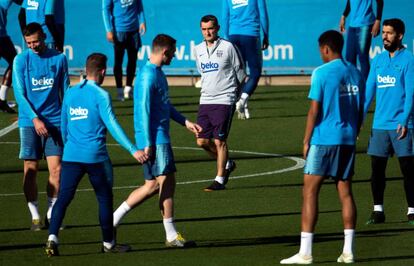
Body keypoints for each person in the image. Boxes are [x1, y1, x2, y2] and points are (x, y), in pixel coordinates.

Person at [44, 53, 148, 257]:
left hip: (71, 156)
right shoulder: (101, 95)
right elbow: (113, 125)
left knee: (63, 198)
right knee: (104, 199)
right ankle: (109, 243)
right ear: (102, 71)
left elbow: (63, 127)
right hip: (96, 158)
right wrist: (132, 149)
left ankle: (52, 238)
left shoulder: (71, 93)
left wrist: (70, 148)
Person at [280, 30, 364, 264]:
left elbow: (314, 111)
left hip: (324, 139)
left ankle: (305, 252)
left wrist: (306, 140)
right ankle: (348, 251)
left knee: (309, 192)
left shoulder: (321, 73)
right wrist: (354, 132)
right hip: (347, 140)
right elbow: (360, 110)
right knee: (346, 193)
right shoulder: (356, 72)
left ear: (325, 49)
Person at [112, 34, 201, 248]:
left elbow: (164, 105)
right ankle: (171, 236)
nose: (175, 55)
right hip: (156, 139)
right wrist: (149, 142)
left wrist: (185, 122)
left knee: (152, 185)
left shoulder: (157, 73)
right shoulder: (147, 76)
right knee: (167, 183)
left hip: (158, 138)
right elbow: (143, 110)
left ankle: (111, 220)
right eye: (173, 52)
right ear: (164, 52)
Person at [12, 22, 70, 231]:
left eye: (36, 41)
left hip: (54, 121)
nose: (33, 46)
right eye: (29, 43)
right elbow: (19, 94)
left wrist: (67, 119)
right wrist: (35, 119)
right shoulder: (20, 60)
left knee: (57, 169)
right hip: (29, 122)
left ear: (43, 37)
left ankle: (51, 213)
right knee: (31, 168)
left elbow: (66, 90)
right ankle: (35, 214)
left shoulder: (59, 58)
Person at [363, 18, 414, 225]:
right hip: (380, 125)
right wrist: (359, 118)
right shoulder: (378, 61)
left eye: (389, 33)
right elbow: (368, 92)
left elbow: (411, 93)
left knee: (408, 170)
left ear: (400, 36)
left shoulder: (409, 59)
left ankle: (412, 210)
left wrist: (404, 119)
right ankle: (378, 211)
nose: (384, 36)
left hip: (402, 125)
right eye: (383, 32)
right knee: (376, 170)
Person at [193, 15, 245, 191]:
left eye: (211, 28)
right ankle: (227, 163)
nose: (208, 32)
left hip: (225, 99)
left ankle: (220, 179)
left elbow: (241, 74)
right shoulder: (198, 49)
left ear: (217, 28)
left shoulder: (228, 47)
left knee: (219, 142)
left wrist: (239, 98)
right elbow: (203, 73)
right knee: (201, 141)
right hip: (205, 99)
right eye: (204, 29)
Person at [222, 0, 269, 119]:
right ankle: (242, 100)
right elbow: (263, 14)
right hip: (251, 35)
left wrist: (226, 37)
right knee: (255, 73)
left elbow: (225, 16)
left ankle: (243, 105)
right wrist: (266, 35)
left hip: (233, 36)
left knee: (240, 74)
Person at [102, 0, 146, 101]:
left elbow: (139, 4)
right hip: (119, 31)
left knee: (133, 60)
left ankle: (128, 88)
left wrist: (142, 20)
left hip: (134, 30)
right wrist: (108, 30)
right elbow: (105, 10)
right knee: (118, 61)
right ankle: (119, 90)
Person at [339, 0, 384, 81]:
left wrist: (378, 21)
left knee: (363, 57)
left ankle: (366, 88)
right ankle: (354, 85)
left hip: (365, 24)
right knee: (349, 57)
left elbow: (380, 1)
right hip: (352, 25)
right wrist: (344, 15)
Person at [0, 0, 20, 113]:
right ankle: (1, 100)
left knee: (15, 63)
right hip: (1, 37)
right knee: (15, 63)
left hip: (2, 36)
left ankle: (2, 100)